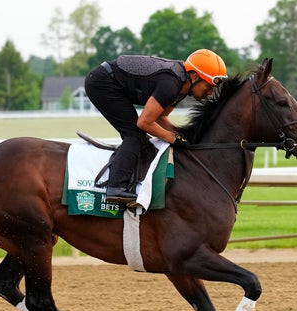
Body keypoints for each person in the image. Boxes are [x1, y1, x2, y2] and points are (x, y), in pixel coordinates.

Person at [84, 49, 228, 203]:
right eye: (209, 86)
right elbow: (144, 122)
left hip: (111, 81)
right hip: (102, 82)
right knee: (135, 135)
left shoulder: (181, 88)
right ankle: (115, 188)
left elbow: (161, 117)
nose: (210, 93)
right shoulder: (170, 85)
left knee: (142, 139)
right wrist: (173, 138)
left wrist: (182, 137)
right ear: (194, 76)